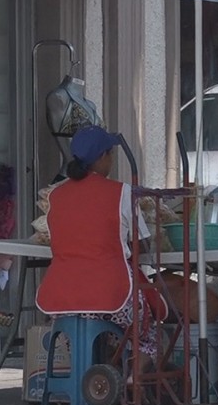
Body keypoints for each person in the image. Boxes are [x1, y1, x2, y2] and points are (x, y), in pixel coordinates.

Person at [36, 125, 160, 364]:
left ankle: (89, 374)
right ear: (102, 156)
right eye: (111, 154)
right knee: (147, 330)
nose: (112, 160)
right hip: (111, 296)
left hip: (63, 301)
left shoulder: (56, 196)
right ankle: (133, 381)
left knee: (84, 332)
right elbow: (142, 244)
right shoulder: (121, 192)